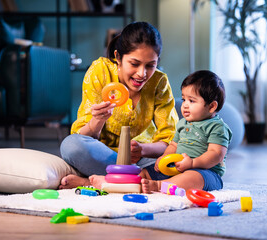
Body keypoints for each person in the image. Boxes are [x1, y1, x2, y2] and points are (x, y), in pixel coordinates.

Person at [59, 22, 179, 189]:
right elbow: (83, 137)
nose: (142, 74)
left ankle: (96, 182)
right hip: (105, 156)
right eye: (134, 64)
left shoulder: (159, 82)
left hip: (142, 159)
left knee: (183, 160)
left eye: (150, 65)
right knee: (71, 146)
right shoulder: (100, 71)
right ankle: (134, 180)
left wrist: (142, 149)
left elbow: (170, 140)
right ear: (118, 57)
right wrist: (97, 121)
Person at [89, 70, 232, 193]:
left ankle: (157, 186)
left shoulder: (217, 127)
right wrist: (163, 158)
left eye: (192, 101)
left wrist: (193, 164)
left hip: (205, 173)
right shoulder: (183, 123)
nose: (185, 105)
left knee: (192, 178)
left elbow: (216, 154)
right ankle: (109, 184)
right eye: (184, 99)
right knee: (143, 172)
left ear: (212, 106)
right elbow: (173, 146)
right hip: (175, 168)